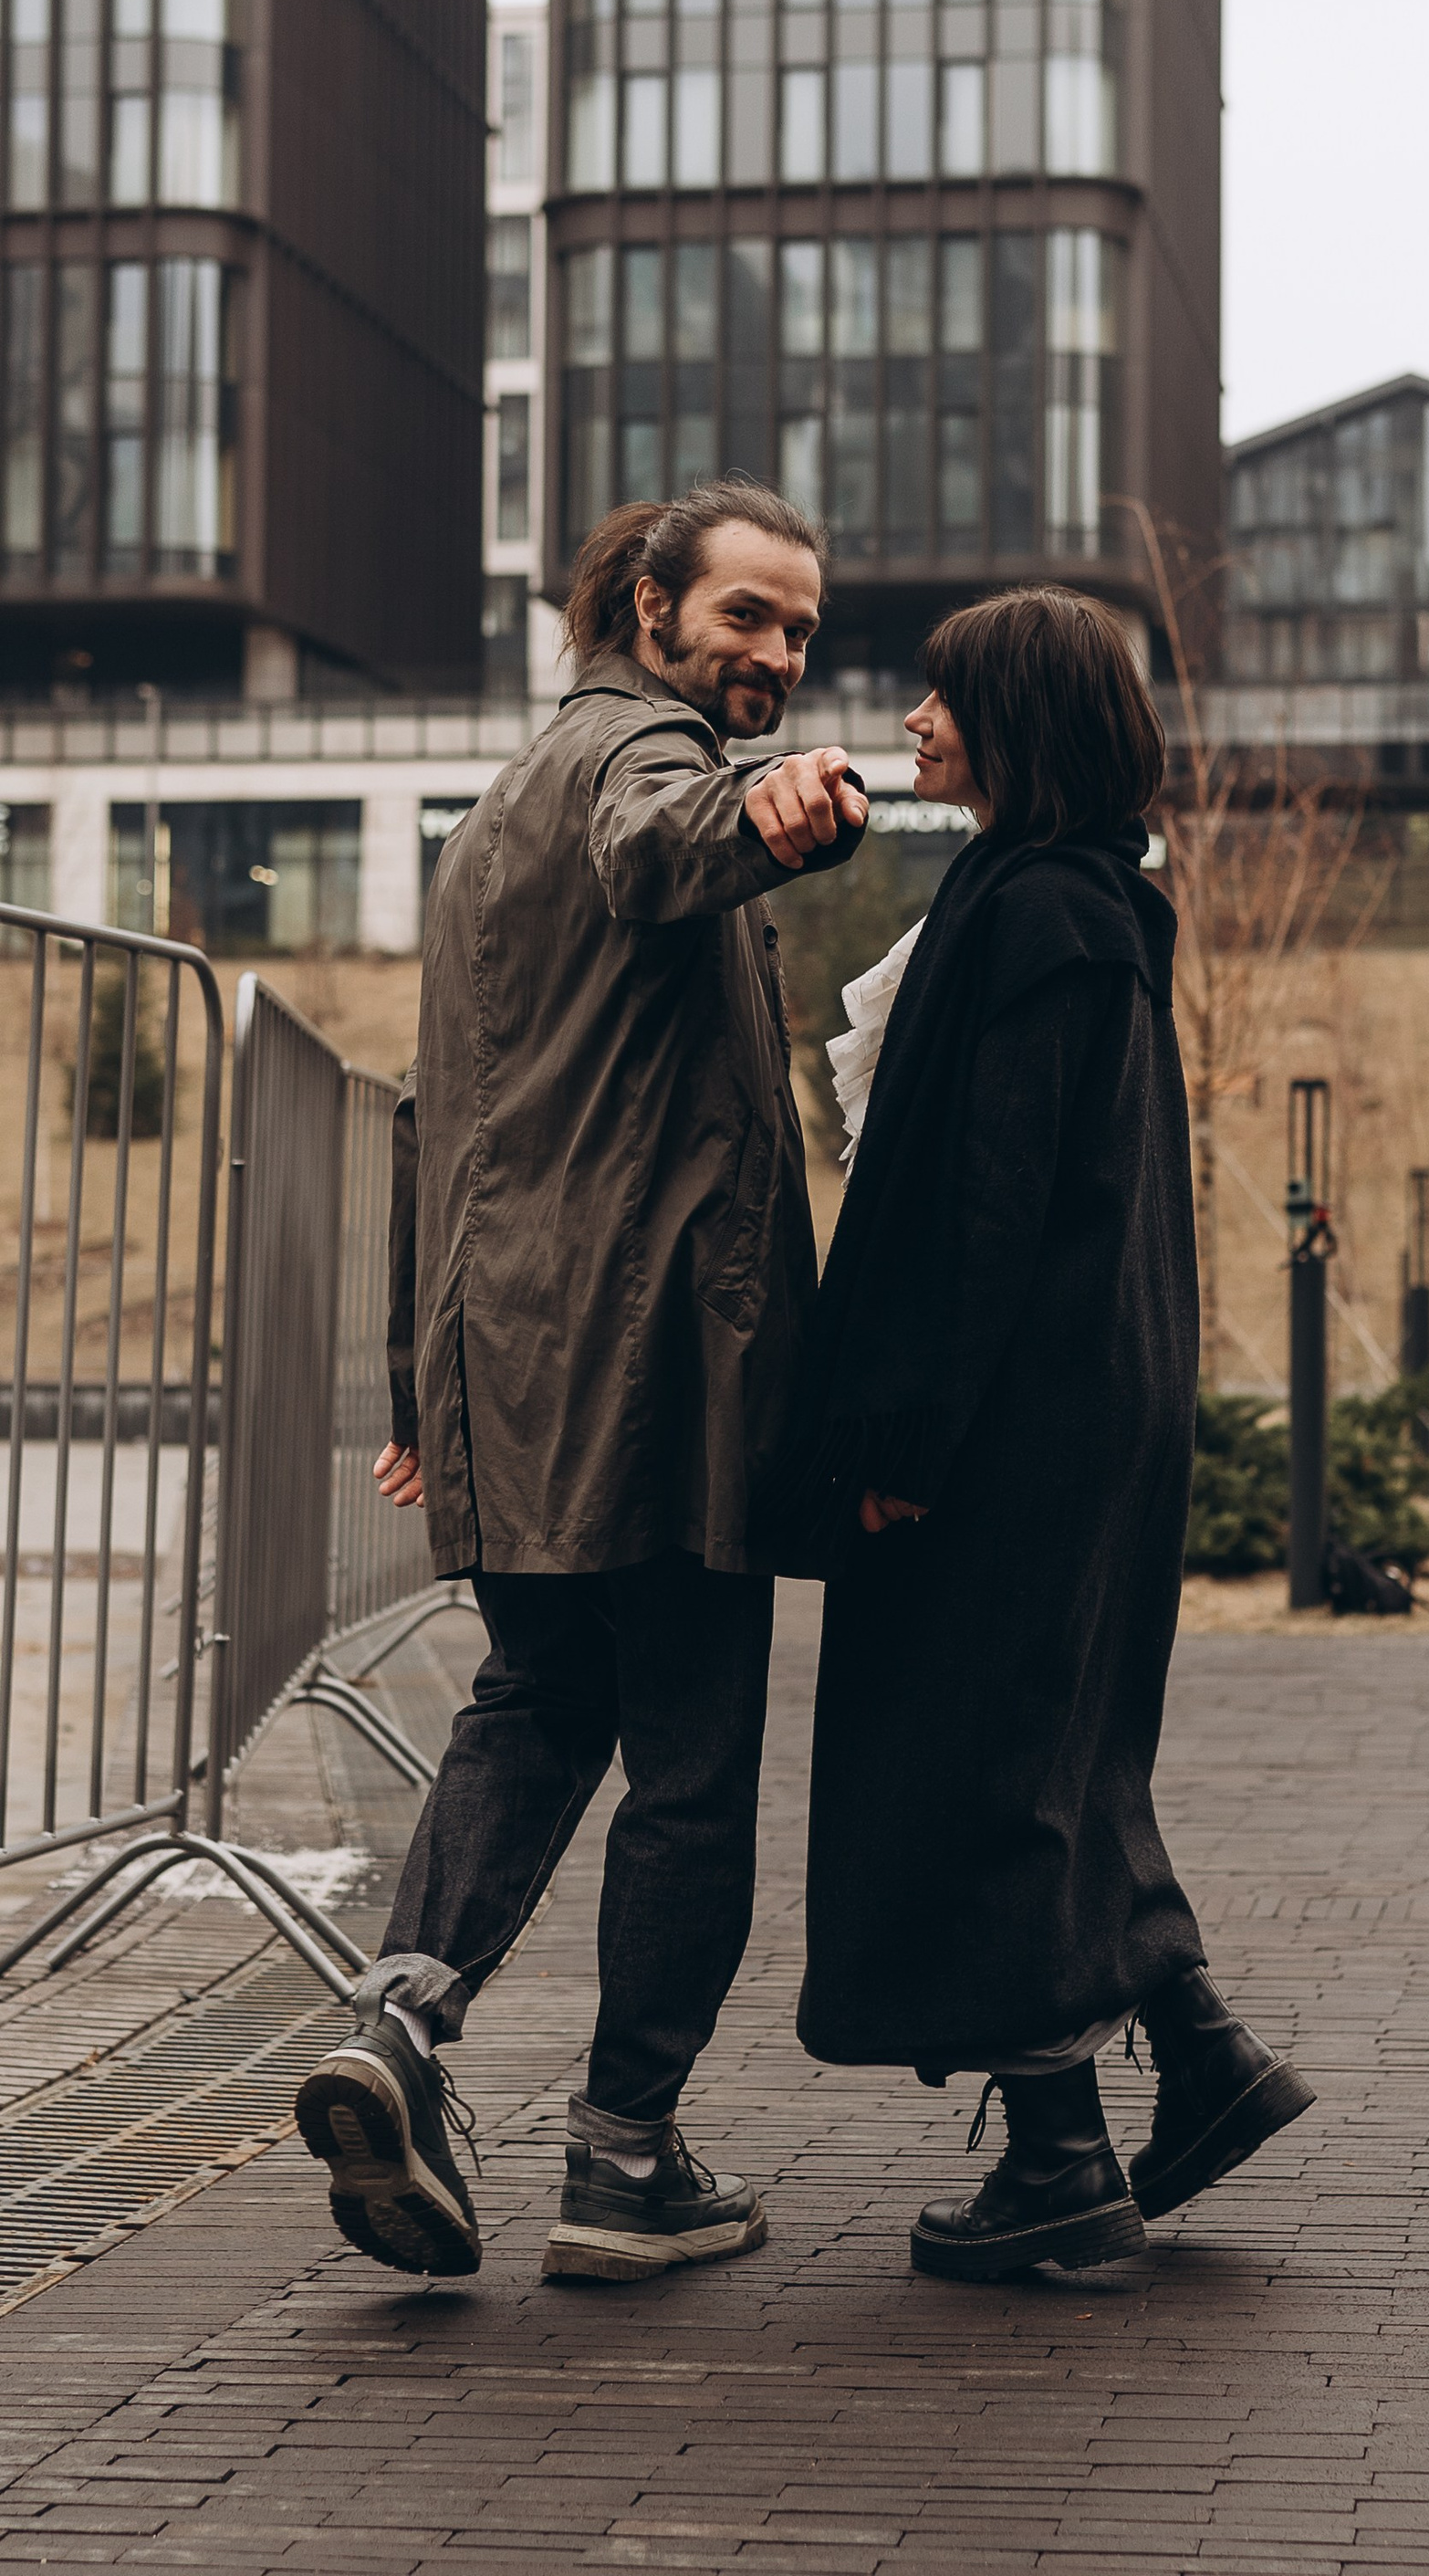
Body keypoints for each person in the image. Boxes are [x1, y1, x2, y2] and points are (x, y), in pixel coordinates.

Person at [294, 482, 868, 2288]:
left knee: (535, 1697)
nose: (776, 655)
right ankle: (624, 2157)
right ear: (642, 601)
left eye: (797, 629)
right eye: (749, 618)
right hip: (657, 1365)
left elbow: (436, 1120)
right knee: (692, 1765)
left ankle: (397, 2023)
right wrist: (768, 815)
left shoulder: (492, 815)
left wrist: (424, 1383)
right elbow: (666, 842)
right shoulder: (643, 759)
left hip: (517, 1353)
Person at [787, 586, 1312, 2280]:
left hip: (1013, 1426)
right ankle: (1206, 2061)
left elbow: (978, 1220)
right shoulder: (1082, 905)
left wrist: (897, 1441)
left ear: (1020, 726)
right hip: (1089, 1404)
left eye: (946, 701)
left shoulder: (1031, 921)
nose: (916, 724)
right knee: (1062, 1751)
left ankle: (1062, 2172)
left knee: (986, 1763)